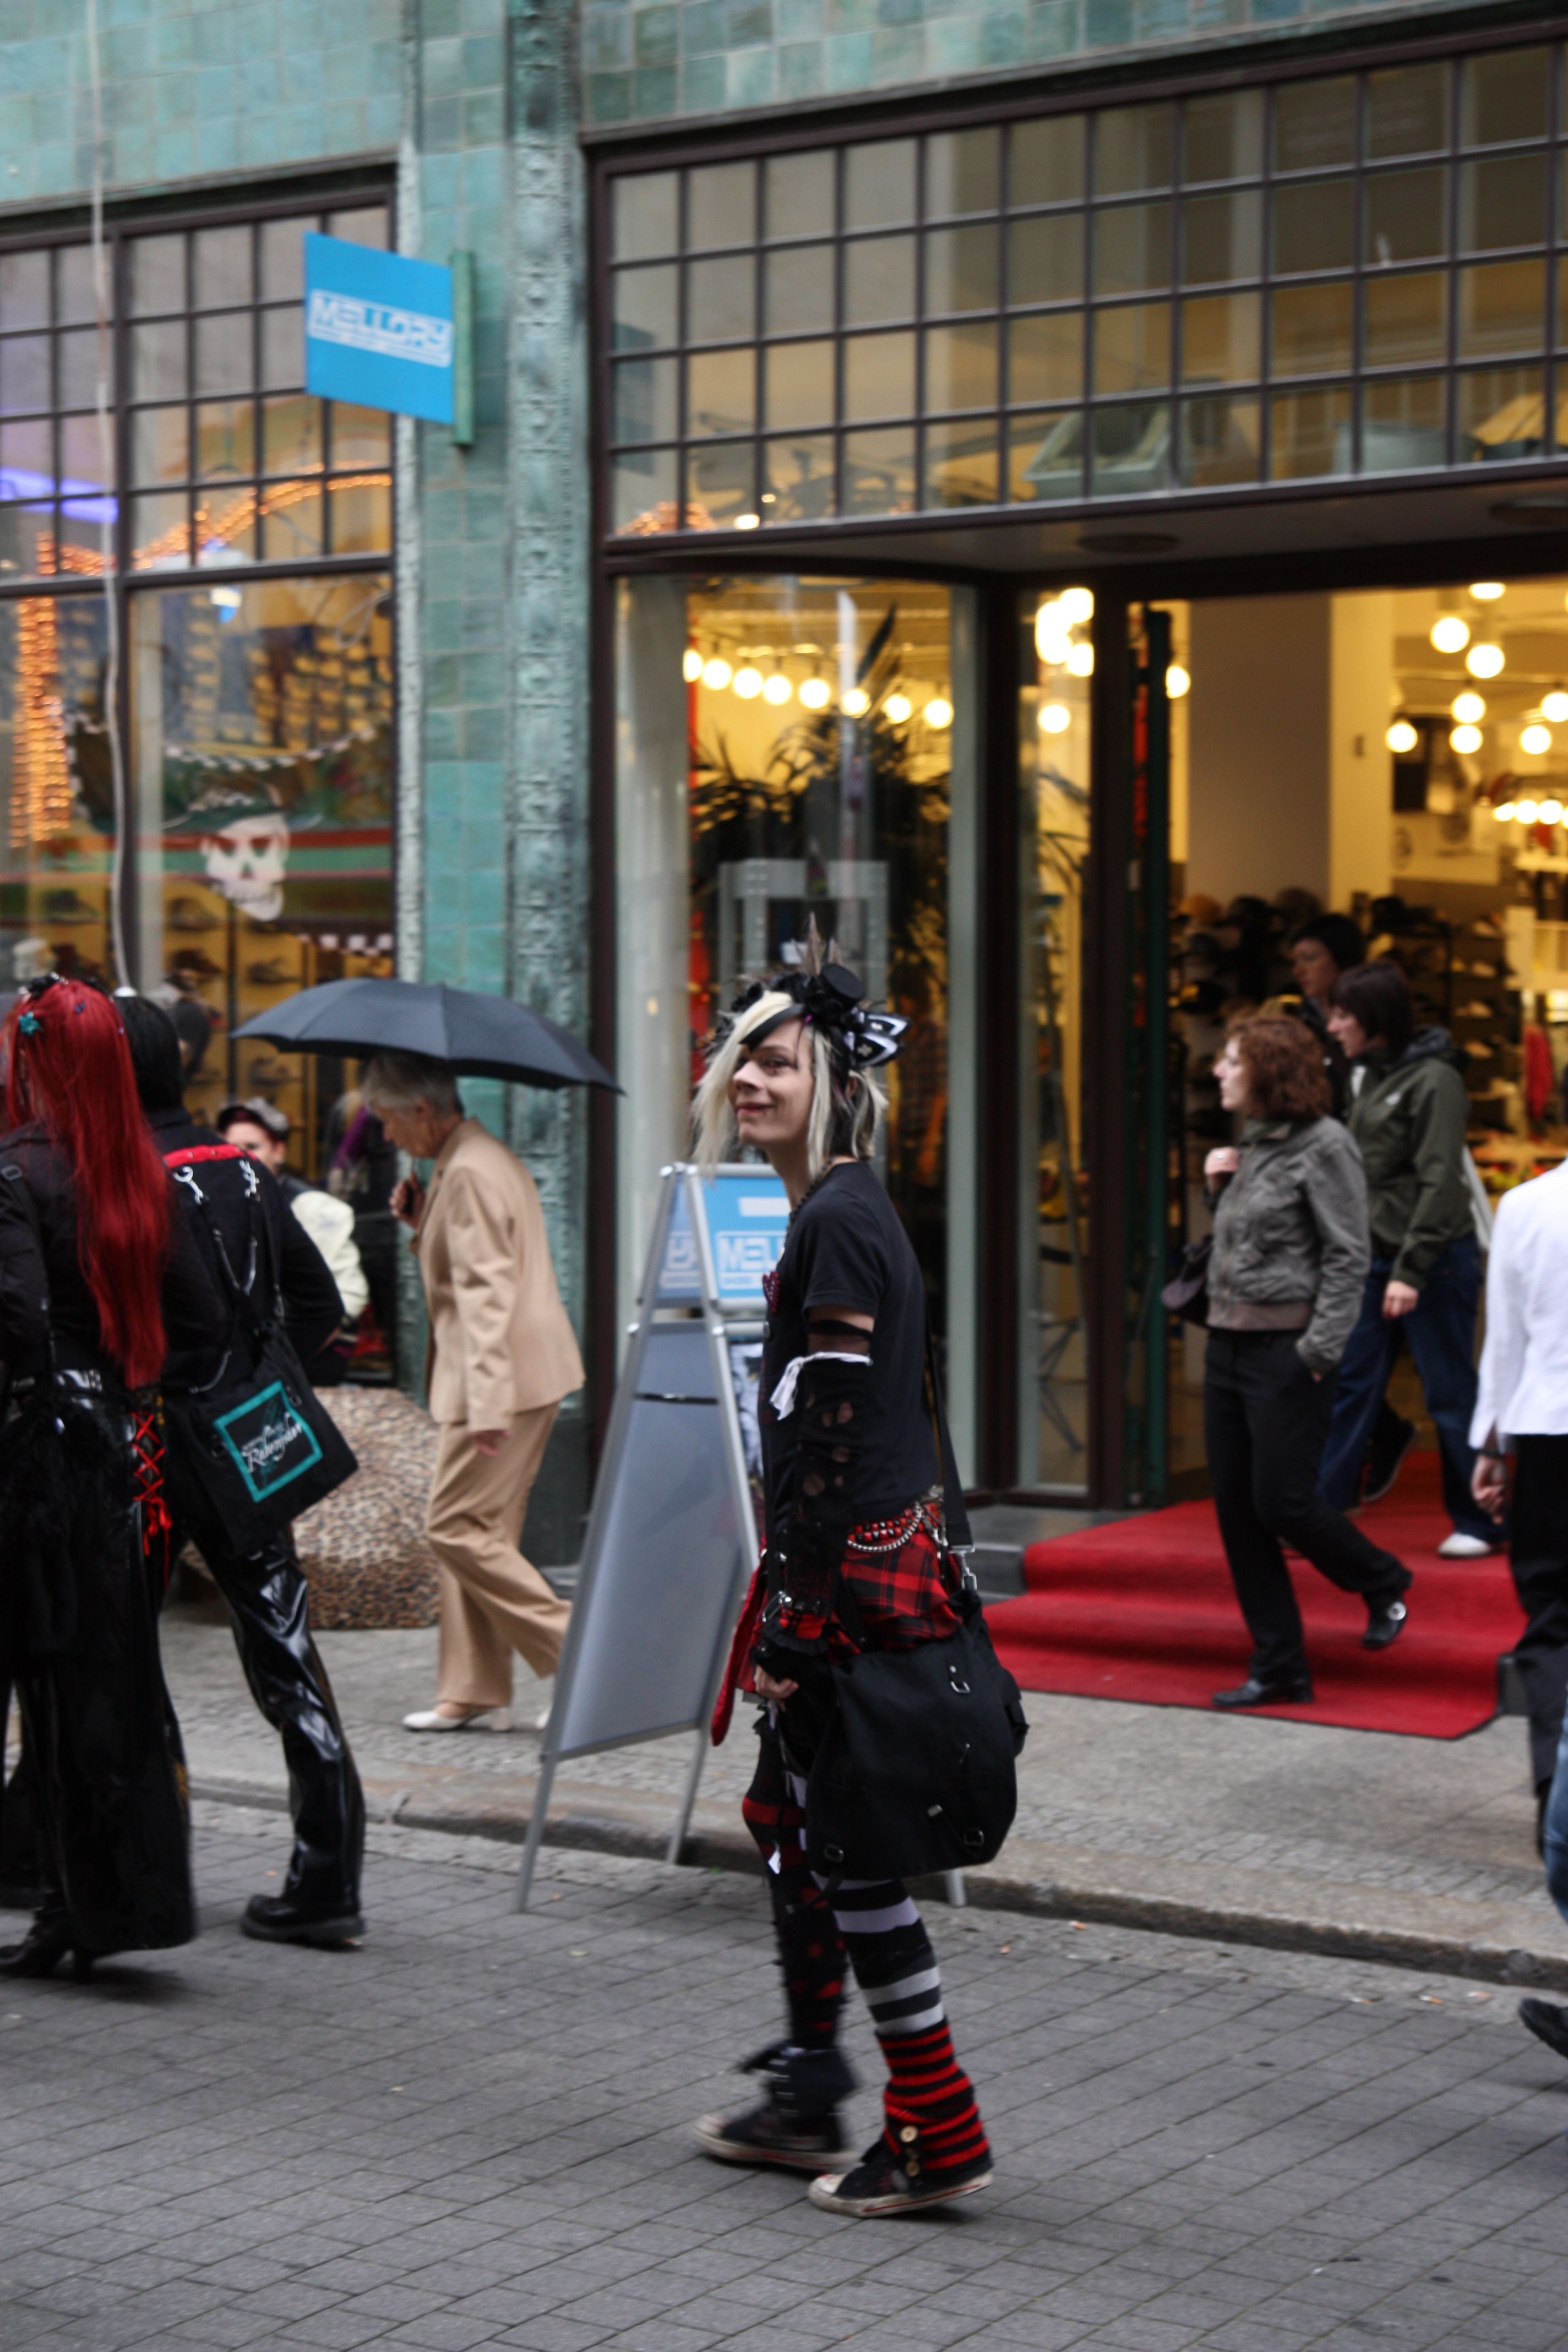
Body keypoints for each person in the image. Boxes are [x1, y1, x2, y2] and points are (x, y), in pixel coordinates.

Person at [692, 956, 994, 2219]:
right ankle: (813, 2082)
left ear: (831, 1084)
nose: (749, 1080)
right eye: (740, 1060)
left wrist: (790, 1624)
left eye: (777, 1062)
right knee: (791, 1824)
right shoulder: (839, 1208)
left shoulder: (835, 1219)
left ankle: (936, 2126)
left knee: (850, 1862)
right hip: (852, 1579)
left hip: (848, 1596)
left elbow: (827, 1430)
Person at [118, 997, 367, 1949]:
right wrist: (261, 1375)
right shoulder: (244, 1170)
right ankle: (327, 1877)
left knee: (121, 1653)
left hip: (154, 1444)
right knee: (285, 1647)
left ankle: (141, 1868)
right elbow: (318, 1300)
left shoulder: (120, 1178)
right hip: (243, 1435)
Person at [0, 976, 213, 1978]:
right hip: (128, 1448)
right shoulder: (140, 1175)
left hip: (39, 1456)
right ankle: (110, 1901)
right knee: (110, 1681)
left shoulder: (18, 1169)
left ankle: (63, 1900)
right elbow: (197, 1320)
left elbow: (18, 1321)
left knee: (47, 1681)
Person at [366, 1052, 581, 1734]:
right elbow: (478, 1266)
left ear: (422, 1110)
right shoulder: (474, 1160)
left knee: (454, 1526)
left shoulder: (467, 1171)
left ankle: (579, 1653)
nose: (386, 1135)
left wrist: (487, 1403)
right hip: (519, 1373)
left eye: (388, 1119)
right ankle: (472, 1687)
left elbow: (486, 1294)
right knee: (481, 1531)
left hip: (499, 1378)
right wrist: (422, 1221)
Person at [1204, 1016, 1413, 1710]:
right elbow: (1249, 1246)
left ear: (1268, 1070)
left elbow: (1348, 1255)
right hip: (1226, 1346)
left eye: (1231, 1061)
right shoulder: (1252, 1142)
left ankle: (1381, 1579)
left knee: (1282, 1502)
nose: (1218, 1071)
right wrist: (1216, 1190)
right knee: (1238, 1515)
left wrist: (1319, 1352)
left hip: (1285, 1350)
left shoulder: (1326, 1144)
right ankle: (1280, 1666)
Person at [1317, 961, 1497, 1558]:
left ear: (1373, 1017)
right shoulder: (1368, 1075)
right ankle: (1321, 1514)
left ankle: (1479, 1519)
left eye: (1343, 1015)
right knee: (1351, 1383)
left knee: (1448, 1390)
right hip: (1376, 1258)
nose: (1333, 1026)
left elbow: (1439, 1181)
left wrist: (1412, 1269)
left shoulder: (1434, 1080)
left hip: (1434, 1259)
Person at [1467, 1152, 1568, 1850]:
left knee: (1553, 1615)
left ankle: (1554, 1793)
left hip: (1547, 1425)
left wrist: (1489, 1442)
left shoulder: (1526, 1205)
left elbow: (1504, 1338)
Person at [217, 1097, 368, 1384]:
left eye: (252, 1147)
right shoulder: (222, 1206)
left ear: (279, 1150)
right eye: (231, 1149)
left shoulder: (314, 1207)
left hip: (308, 1358)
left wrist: (288, 1350)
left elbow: (348, 1295)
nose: (240, 1157)